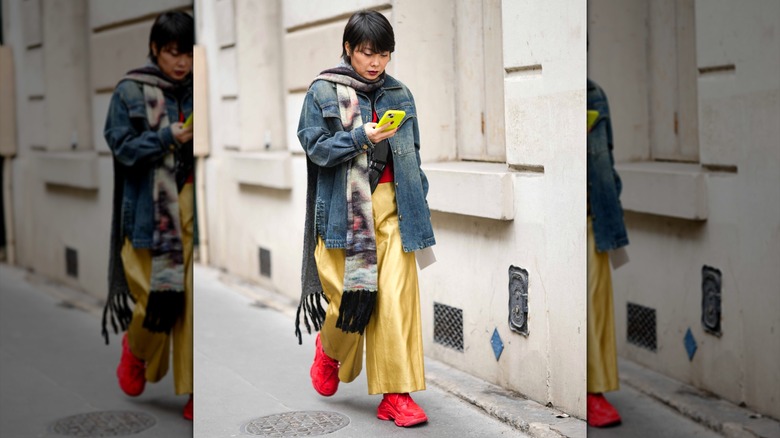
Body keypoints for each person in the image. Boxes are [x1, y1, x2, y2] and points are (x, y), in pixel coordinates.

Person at [295, 10, 436, 428]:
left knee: (396, 301)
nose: (375, 62)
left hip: (395, 209)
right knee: (348, 303)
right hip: (343, 214)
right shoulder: (323, 91)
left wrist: (420, 202)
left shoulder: (400, 93)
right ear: (348, 49)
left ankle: (397, 395)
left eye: (383, 54)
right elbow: (314, 146)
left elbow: (414, 154)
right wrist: (361, 137)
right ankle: (330, 349)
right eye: (366, 53)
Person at [101, 11, 195, 421]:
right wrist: (166, 137)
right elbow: (121, 146)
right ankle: (135, 350)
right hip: (146, 211)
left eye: (188, 54)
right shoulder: (130, 90)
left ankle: (195, 390)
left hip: (190, 206)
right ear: (156, 49)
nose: (182, 63)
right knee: (153, 302)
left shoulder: (198, 87)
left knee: (190, 307)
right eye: (174, 53)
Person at [586, 78, 629, 427]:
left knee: (595, 307)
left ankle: (594, 392)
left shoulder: (595, 94)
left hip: (591, 216)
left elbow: (607, 156)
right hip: (556, 218)